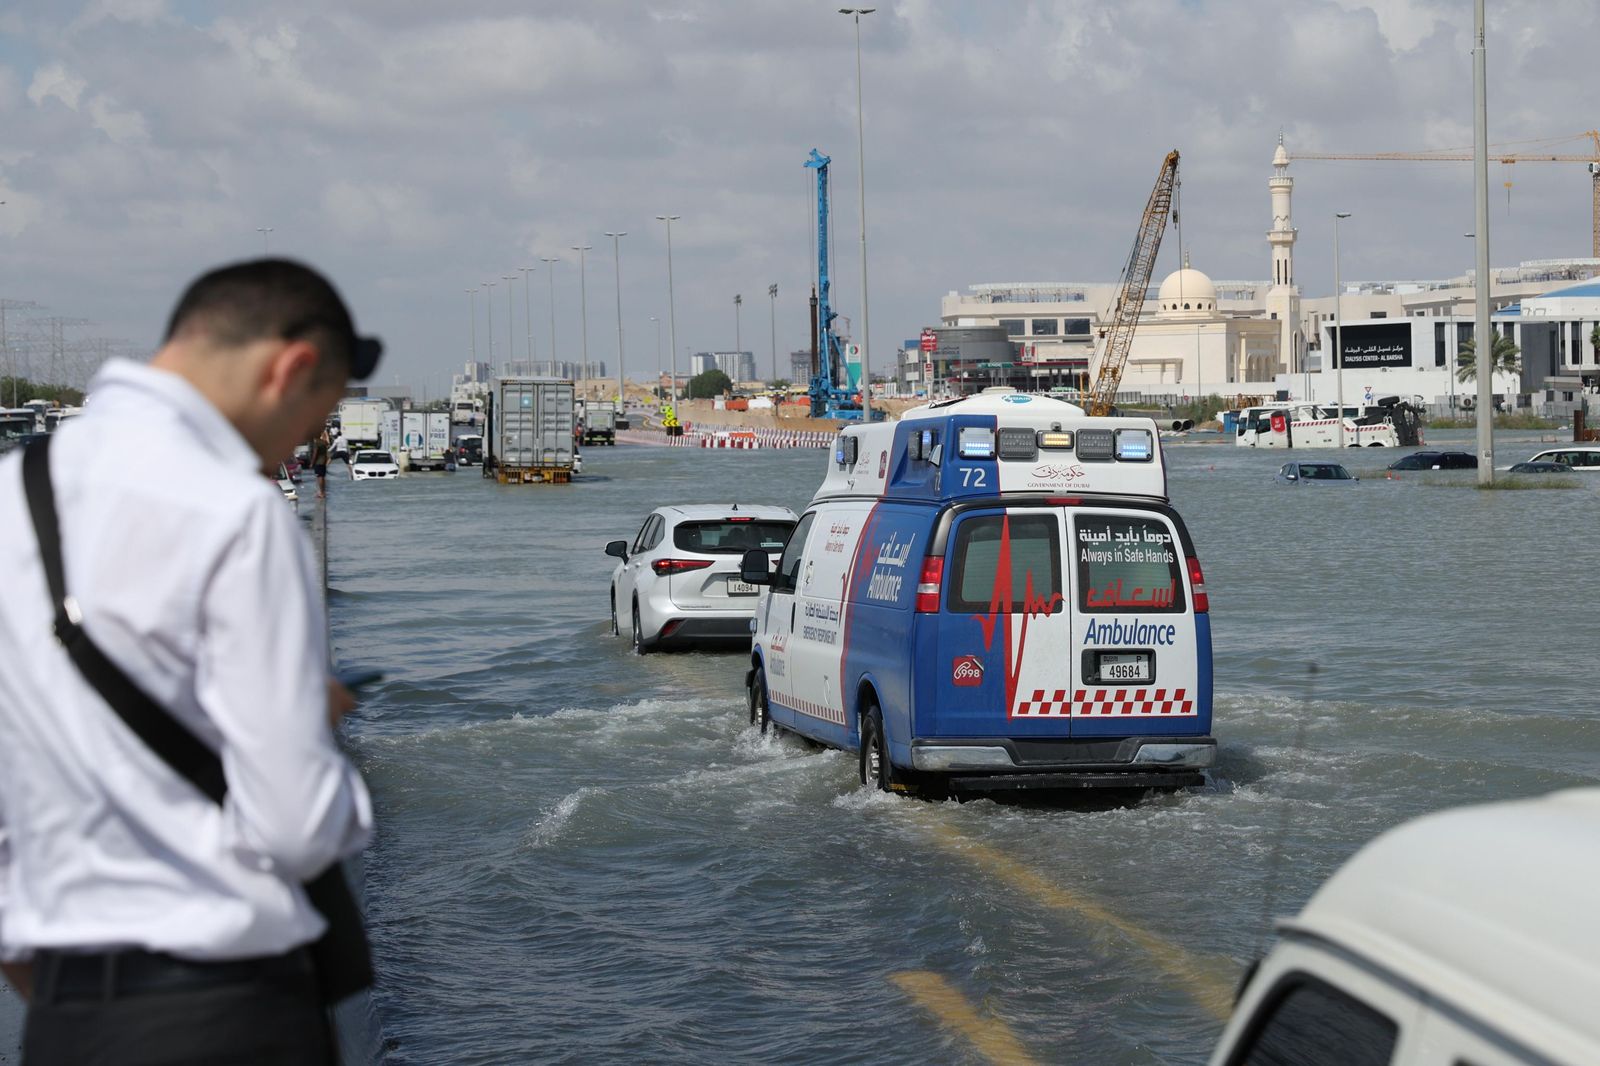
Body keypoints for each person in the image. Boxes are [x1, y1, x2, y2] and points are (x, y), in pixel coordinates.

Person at [0, 258, 382, 1064]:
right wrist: (314, 732)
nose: (309, 442)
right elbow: (295, 830)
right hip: (227, 1008)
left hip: (64, 1016)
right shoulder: (235, 511)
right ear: (293, 368)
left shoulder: (10, 494)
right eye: (320, 415)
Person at [311, 429, 331, 497]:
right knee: (322, 477)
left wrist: (312, 463)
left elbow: (315, 454)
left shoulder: (316, 443)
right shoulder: (324, 442)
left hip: (318, 462)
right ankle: (323, 492)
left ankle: (321, 493)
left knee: (319, 477)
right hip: (323, 462)